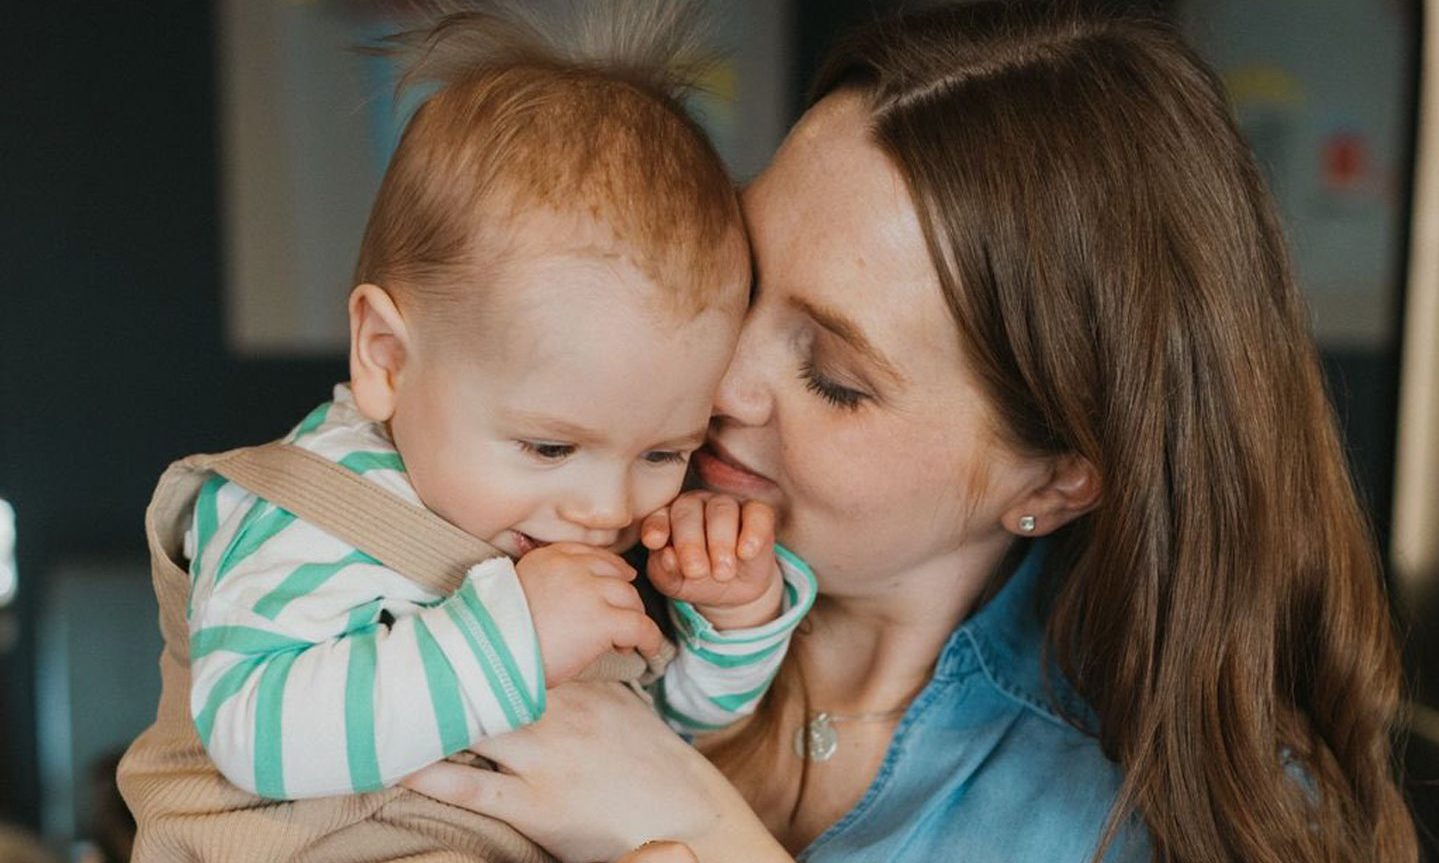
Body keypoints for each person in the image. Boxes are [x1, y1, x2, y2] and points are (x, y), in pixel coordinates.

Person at [401, 3, 1421, 861]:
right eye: (741, 285)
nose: (726, 381)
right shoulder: (542, 532)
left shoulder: (1154, 812)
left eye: (834, 378)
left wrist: (704, 828)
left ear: (1056, 479)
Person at [118, 0, 815, 857]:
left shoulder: (556, 525)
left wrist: (732, 618)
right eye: (550, 446)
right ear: (387, 358)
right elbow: (249, 729)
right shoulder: (308, 507)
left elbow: (659, 732)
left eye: (665, 451)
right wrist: (511, 638)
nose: (605, 506)